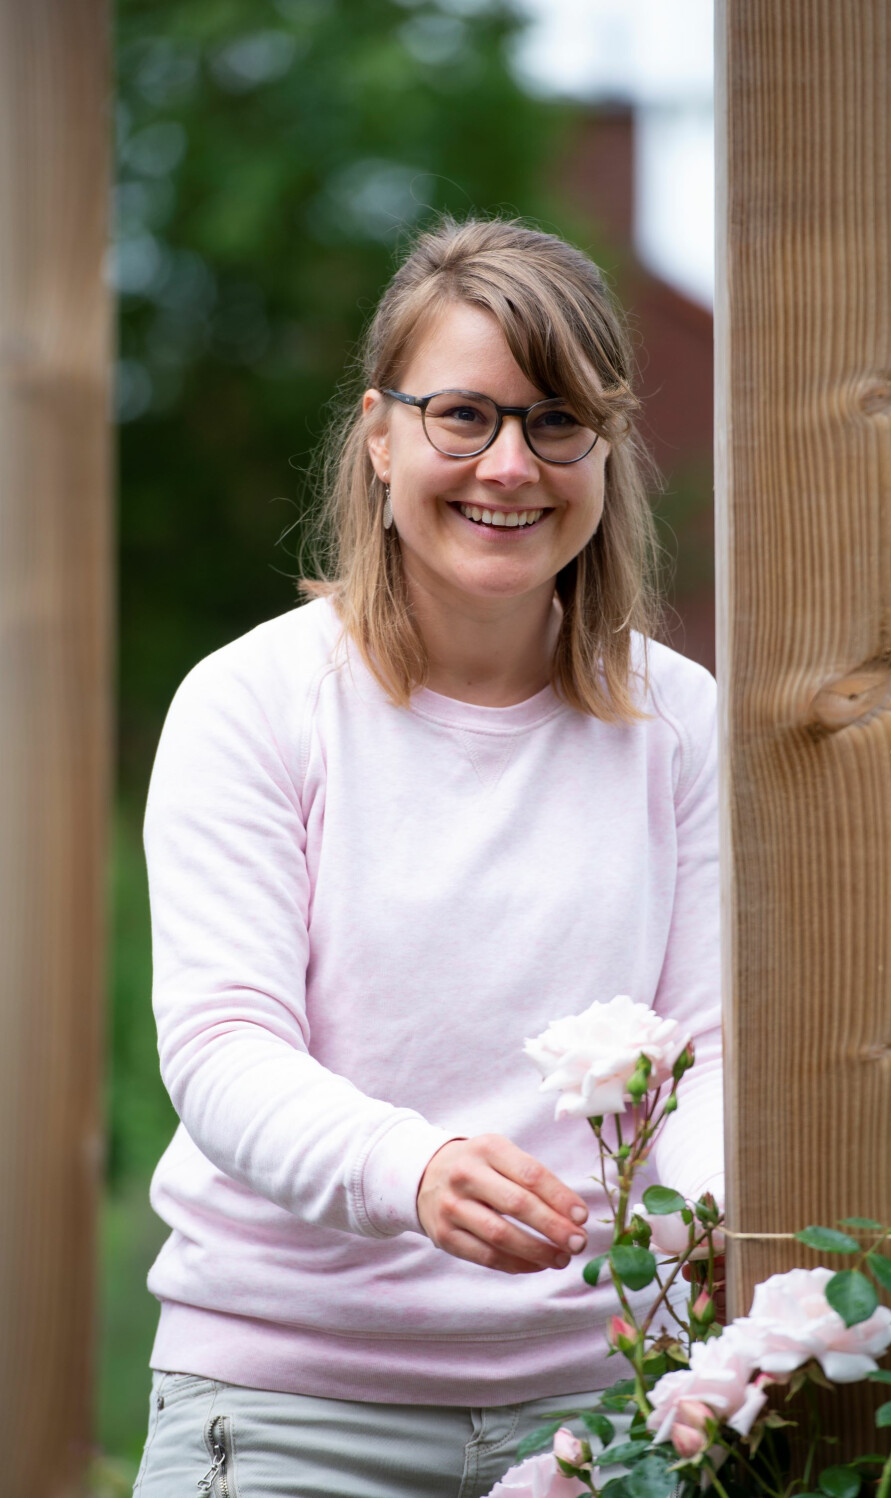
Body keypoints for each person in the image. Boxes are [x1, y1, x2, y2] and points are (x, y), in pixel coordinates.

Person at [132, 215, 723, 1498]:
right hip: (286, 1403)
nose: (510, 465)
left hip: (610, 1401)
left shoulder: (682, 722)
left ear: (606, 450)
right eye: (464, 415)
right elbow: (223, 1045)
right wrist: (413, 1169)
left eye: (557, 421)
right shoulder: (253, 703)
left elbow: (711, 1051)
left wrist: (721, 1272)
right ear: (381, 434)